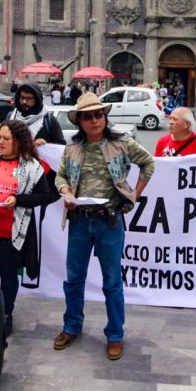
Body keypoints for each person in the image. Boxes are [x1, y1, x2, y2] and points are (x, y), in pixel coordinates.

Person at [54, 93, 155, 361]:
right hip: (79, 222)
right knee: (74, 278)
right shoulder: (72, 148)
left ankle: (115, 335)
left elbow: (148, 164)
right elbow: (61, 174)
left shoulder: (122, 144)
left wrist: (134, 194)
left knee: (112, 282)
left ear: (105, 116)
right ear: (80, 122)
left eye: (98, 115)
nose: (94, 120)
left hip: (109, 221)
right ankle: (71, 326)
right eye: (88, 116)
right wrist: (65, 190)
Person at [0, 120, 55, 336]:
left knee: (8, 277)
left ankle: (5, 315)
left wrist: (18, 200)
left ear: (19, 141)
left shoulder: (32, 166)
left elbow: (43, 195)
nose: (1, 141)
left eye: (7, 138)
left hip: (12, 235)